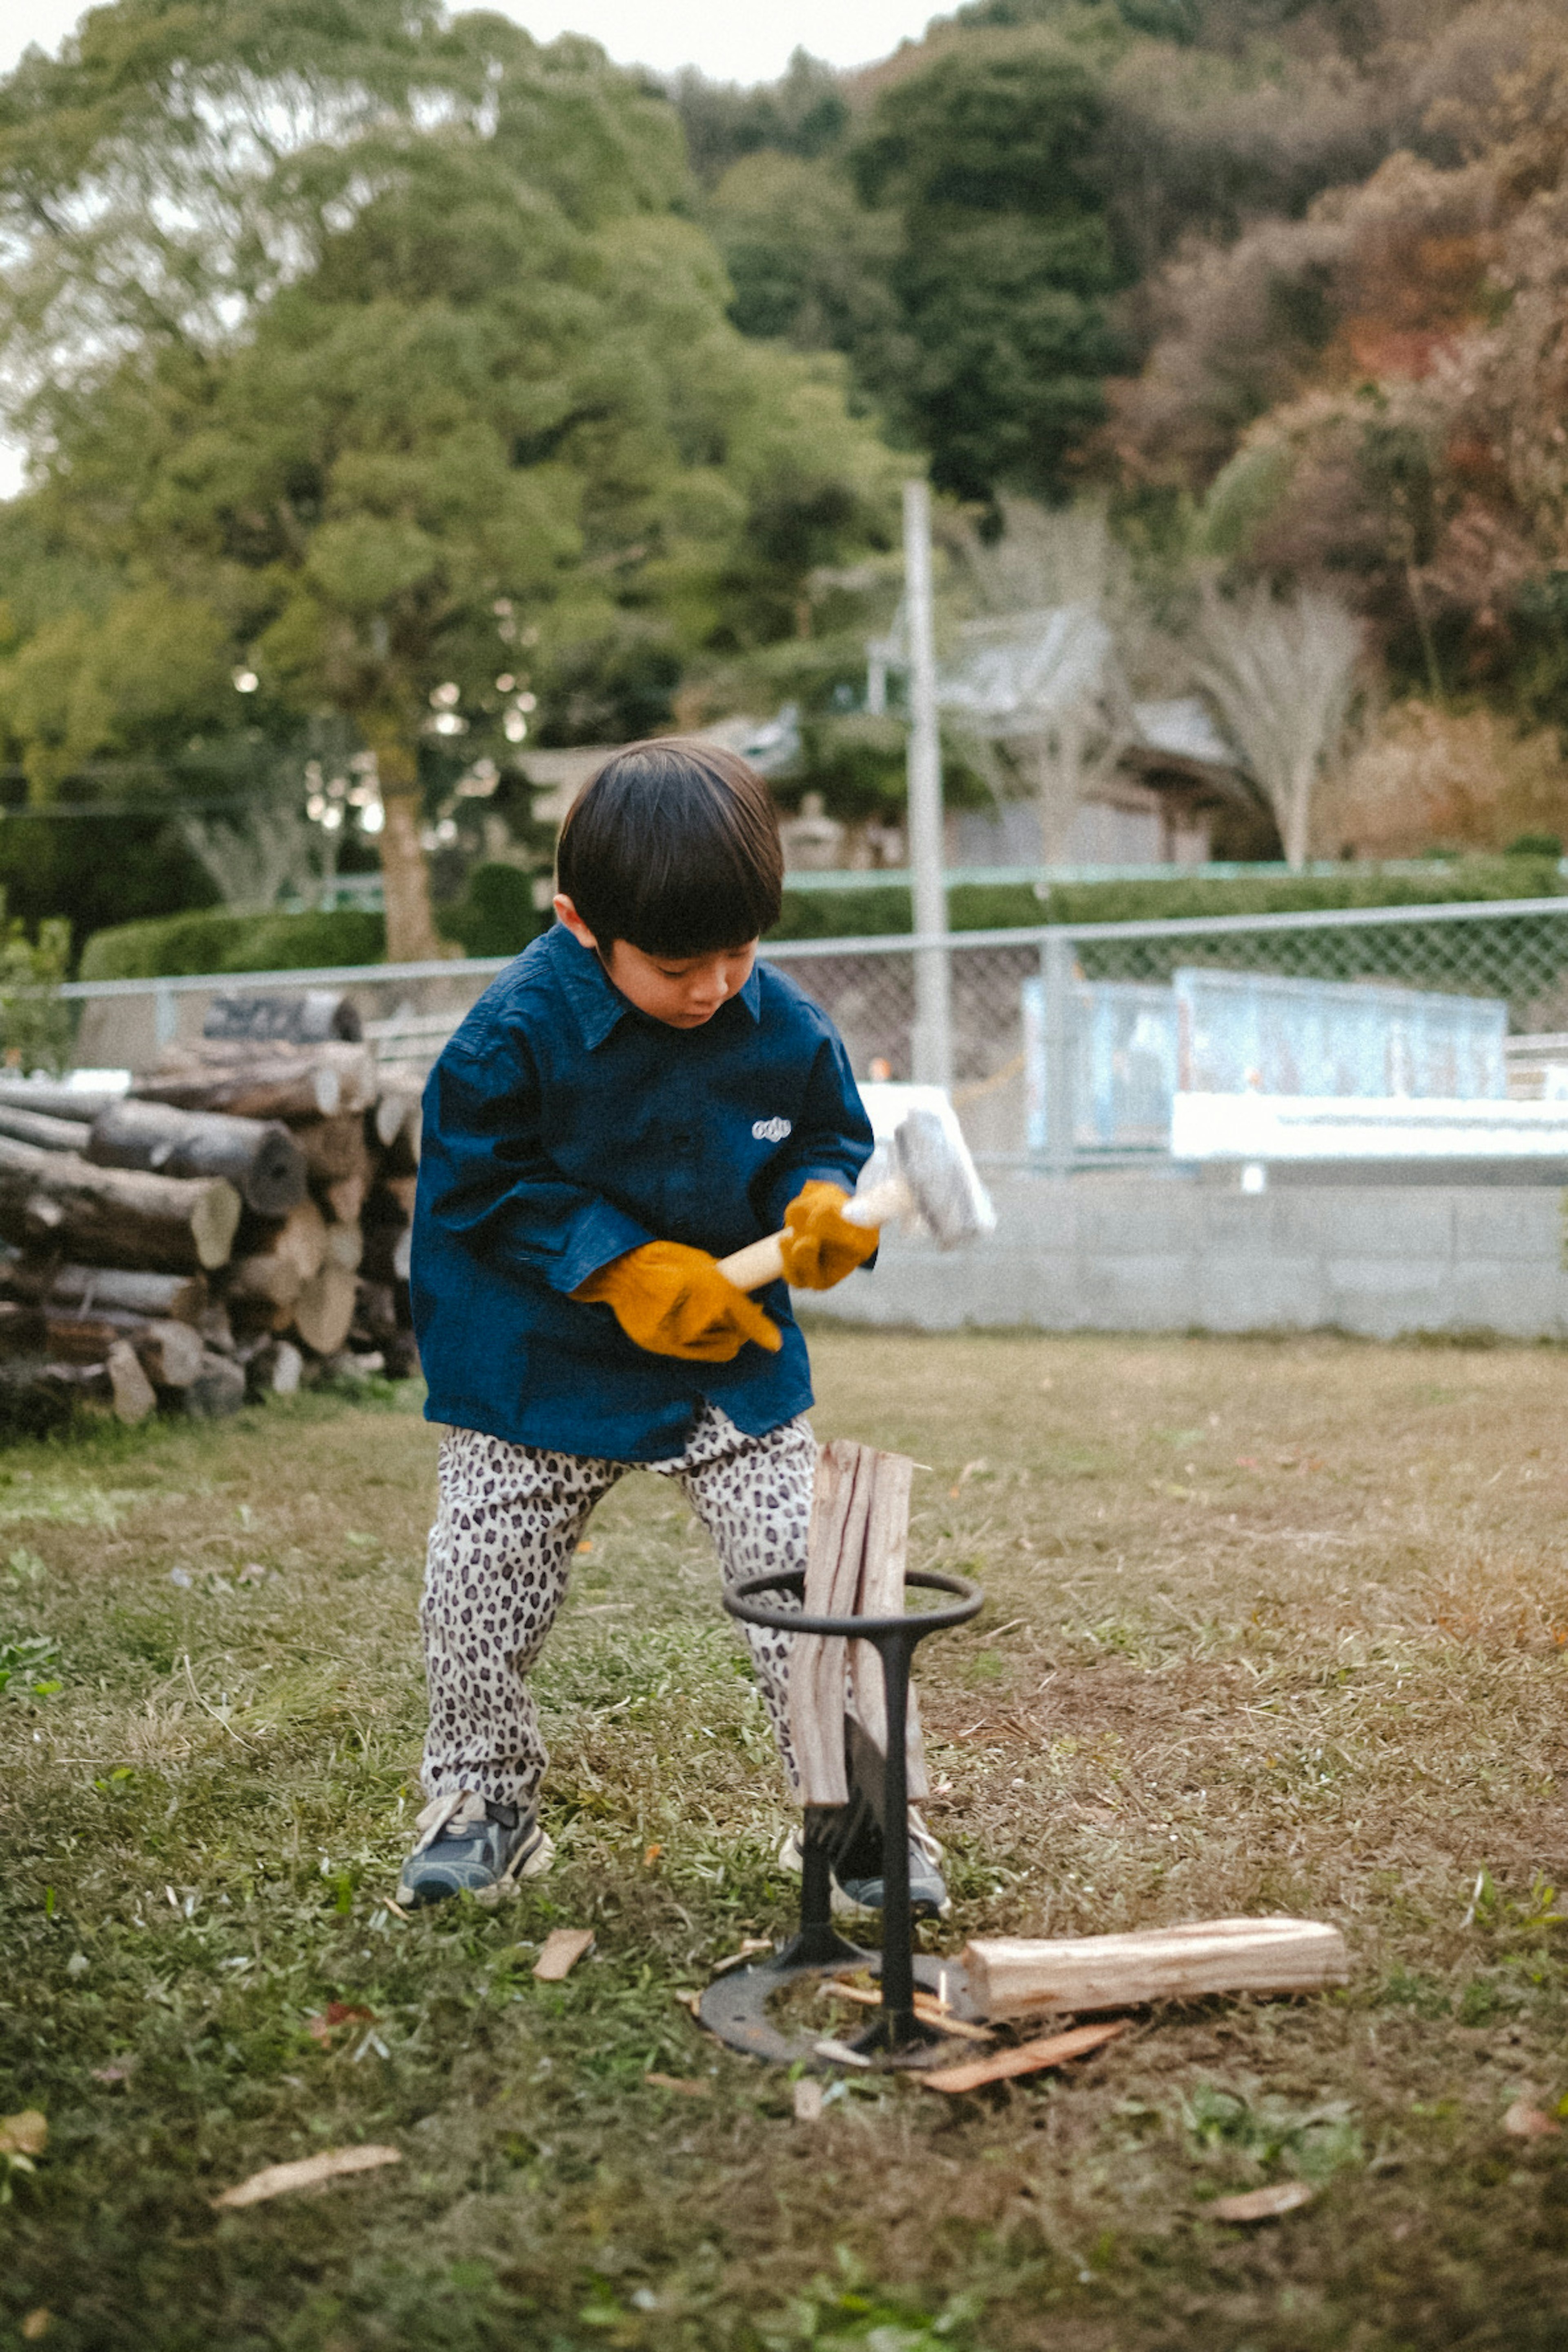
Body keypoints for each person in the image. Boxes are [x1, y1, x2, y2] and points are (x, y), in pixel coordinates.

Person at [399, 737, 948, 1916]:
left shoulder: (784, 1024)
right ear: (580, 922)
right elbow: (476, 1191)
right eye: (677, 963)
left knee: (812, 1576)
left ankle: (859, 1814)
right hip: (537, 1371)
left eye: (740, 953)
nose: (712, 987)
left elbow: (823, 1140)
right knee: (476, 1583)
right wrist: (618, 1266)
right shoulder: (509, 1036)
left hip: (725, 1371)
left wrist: (821, 1204)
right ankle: (481, 1797)